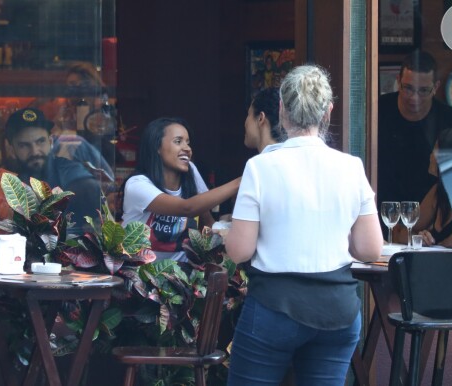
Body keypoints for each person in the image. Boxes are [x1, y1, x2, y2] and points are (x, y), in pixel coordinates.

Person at [225, 65, 382, 385]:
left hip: (273, 307)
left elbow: (239, 251)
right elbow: (369, 249)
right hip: (336, 311)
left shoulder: (260, 167)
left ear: (281, 109)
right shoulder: (352, 168)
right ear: (328, 112)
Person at [121, 117, 241, 262]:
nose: (187, 148)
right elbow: (187, 208)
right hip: (141, 275)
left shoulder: (190, 171)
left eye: (188, 143)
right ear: (157, 147)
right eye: (178, 142)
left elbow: (206, 220)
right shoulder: (137, 185)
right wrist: (240, 182)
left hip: (182, 276)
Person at [378, 50, 452, 237]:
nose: (414, 97)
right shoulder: (377, 110)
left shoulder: (449, 119)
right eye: (408, 88)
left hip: (432, 215)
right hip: (382, 211)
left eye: (423, 91)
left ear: (436, 87)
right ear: (398, 81)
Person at [4, 107, 104, 233]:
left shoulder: (71, 173)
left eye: (40, 141)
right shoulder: (8, 180)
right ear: (11, 150)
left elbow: (96, 219)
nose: (35, 151)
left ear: (50, 142)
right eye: (24, 145)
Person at [244, 87, 286, 154]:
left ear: (260, 118)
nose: (245, 123)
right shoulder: (295, 159)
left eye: (248, 114)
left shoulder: (255, 163)